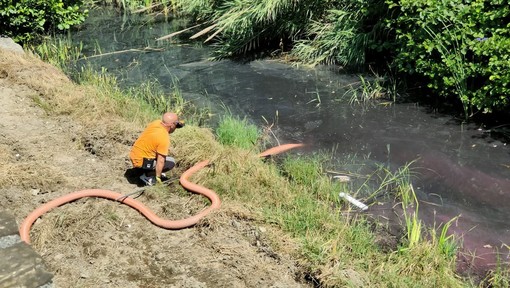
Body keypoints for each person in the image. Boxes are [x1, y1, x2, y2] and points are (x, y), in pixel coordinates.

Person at [129, 112, 184, 186]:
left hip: (134, 154)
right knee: (171, 162)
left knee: (161, 155)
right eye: (176, 124)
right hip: (140, 163)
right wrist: (158, 177)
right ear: (172, 125)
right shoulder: (164, 138)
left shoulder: (156, 123)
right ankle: (147, 176)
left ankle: (146, 170)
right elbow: (161, 161)